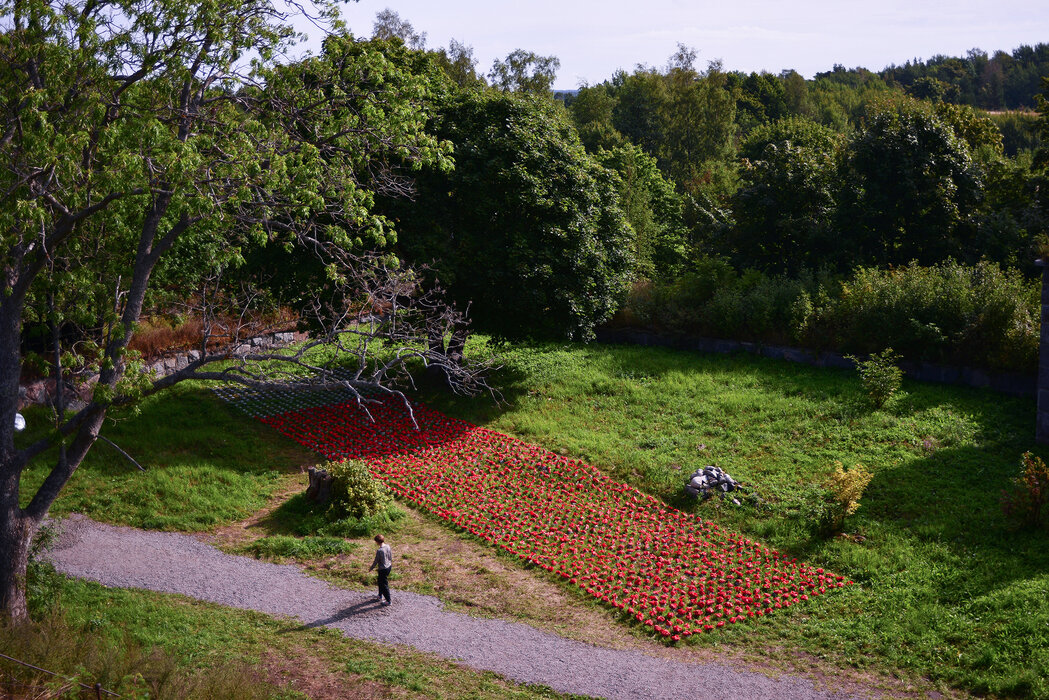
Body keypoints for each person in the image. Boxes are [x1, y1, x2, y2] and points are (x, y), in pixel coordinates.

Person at [369, 534, 393, 605]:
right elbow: (390, 557)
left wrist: (371, 568)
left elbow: (376, 561)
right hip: (389, 566)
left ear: (377, 542)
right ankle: (380, 595)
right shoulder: (388, 546)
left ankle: (388, 601)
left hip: (383, 569)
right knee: (380, 581)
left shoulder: (379, 551)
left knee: (384, 585)